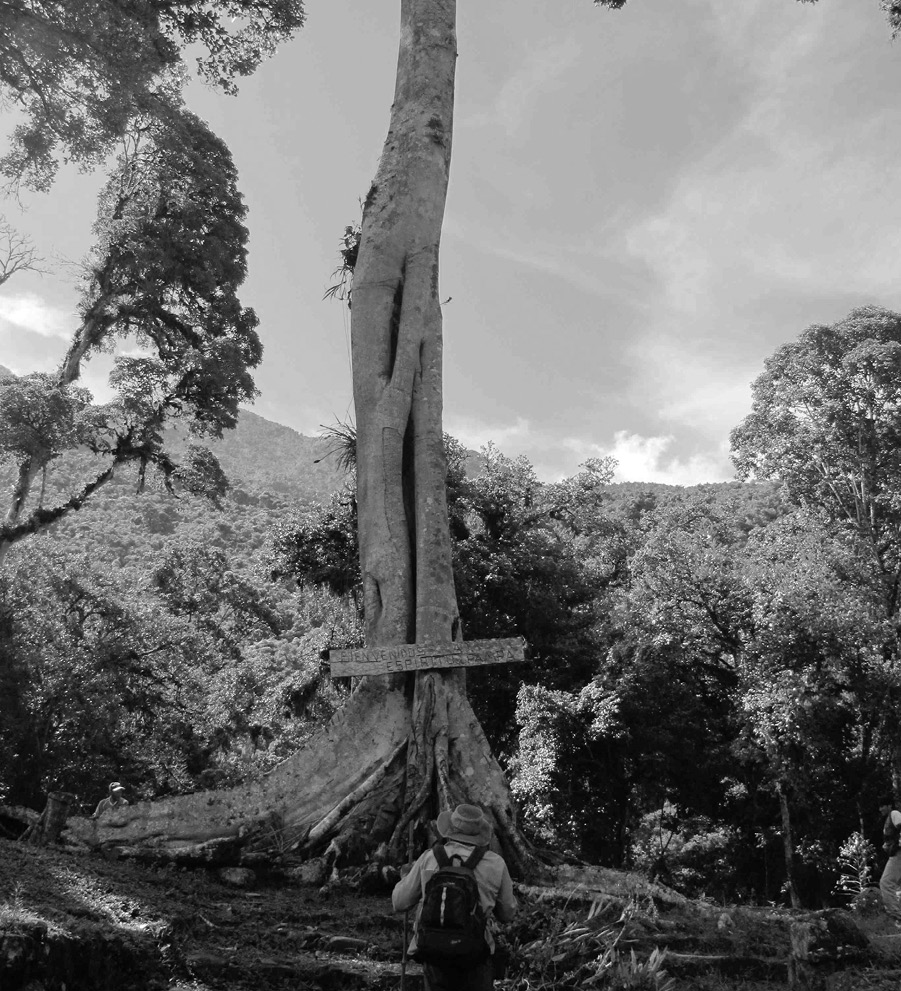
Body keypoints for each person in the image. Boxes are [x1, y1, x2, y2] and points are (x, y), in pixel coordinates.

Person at [392, 804, 517, 991]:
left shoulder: (429, 858)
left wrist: (405, 878)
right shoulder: (496, 864)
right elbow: (508, 914)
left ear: (450, 830)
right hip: (475, 955)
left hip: (434, 954)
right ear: (479, 833)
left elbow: (399, 902)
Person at [879, 797, 901, 924]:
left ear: (889, 806)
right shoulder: (889, 818)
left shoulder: (894, 814)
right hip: (896, 853)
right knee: (898, 888)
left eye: (882, 806)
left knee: (886, 883)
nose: (880, 809)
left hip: (899, 854)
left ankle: (897, 917)